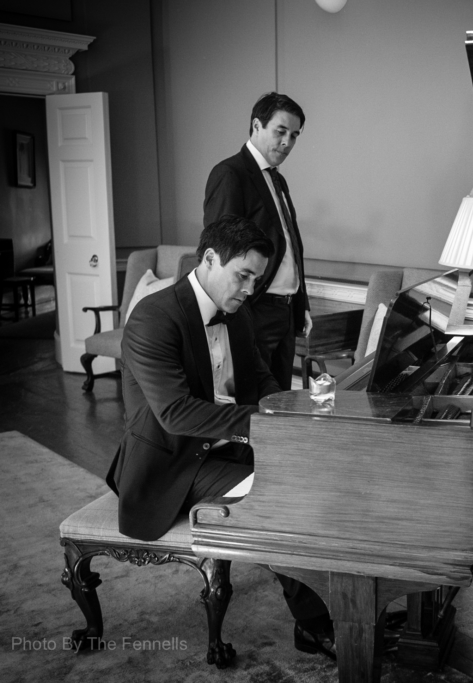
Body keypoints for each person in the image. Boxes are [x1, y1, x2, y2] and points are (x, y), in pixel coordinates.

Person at [106, 215, 335, 658]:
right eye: (243, 275)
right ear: (209, 259)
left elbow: (262, 382)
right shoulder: (154, 318)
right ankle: (315, 625)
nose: (250, 288)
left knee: (317, 480)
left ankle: (348, 601)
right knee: (278, 500)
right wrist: (266, 424)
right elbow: (174, 414)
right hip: (170, 467)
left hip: (229, 448)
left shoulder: (239, 314)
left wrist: (297, 407)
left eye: (257, 278)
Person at [203, 92, 312, 391]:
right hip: (254, 308)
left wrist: (301, 305)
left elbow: (291, 245)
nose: (287, 142)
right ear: (256, 126)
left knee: (281, 400)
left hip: (285, 311)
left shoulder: (277, 179)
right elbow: (220, 249)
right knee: (253, 400)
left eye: (294, 135)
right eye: (281, 131)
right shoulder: (230, 173)